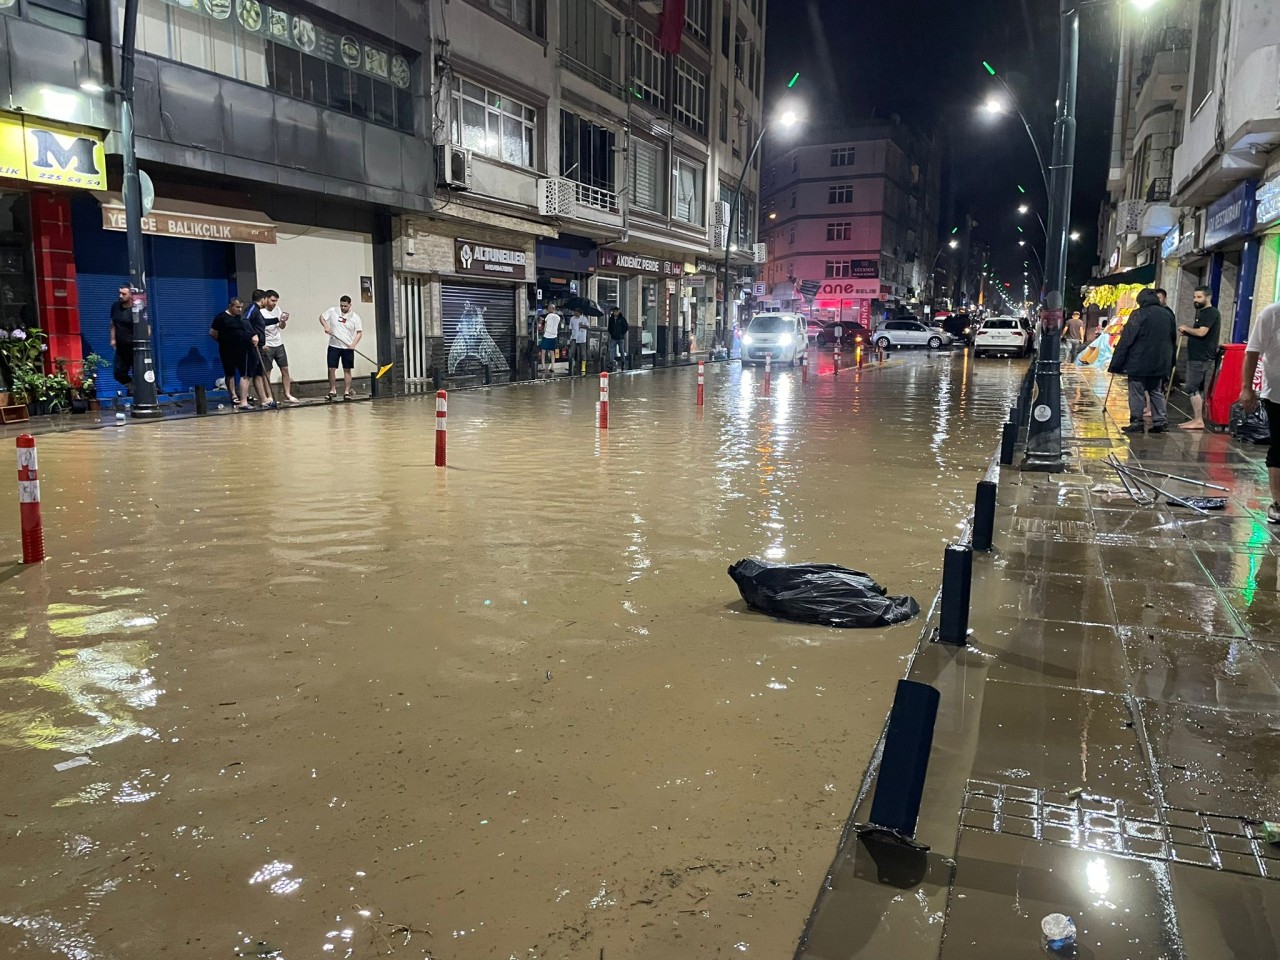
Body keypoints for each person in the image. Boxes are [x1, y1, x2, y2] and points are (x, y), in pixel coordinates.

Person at [1110, 288, 1177, 434]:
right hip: (1160, 360)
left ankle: (1136, 422)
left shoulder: (1138, 314)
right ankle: (1160, 421)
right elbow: (1172, 339)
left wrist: (1116, 362)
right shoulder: (1167, 314)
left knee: (1136, 391)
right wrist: (1171, 361)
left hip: (1138, 361)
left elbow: (1127, 338)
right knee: (1156, 390)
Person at [1241, 301, 1280, 522]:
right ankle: (1278, 503)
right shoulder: (1271, 314)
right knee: (1279, 446)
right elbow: (1252, 352)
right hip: (1277, 395)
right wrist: (1247, 388)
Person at [1177, 286, 1221, 430]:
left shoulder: (1210, 313)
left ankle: (1198, 420)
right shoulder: (1202, 313)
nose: (1195, 300)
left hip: (1201, 357)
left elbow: (1202, 332)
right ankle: (1197, 419)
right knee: (1197, 388)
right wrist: (1189, 333)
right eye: (1194, 297)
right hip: (1197, 355)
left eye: (1199, 297)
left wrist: (1186, 328)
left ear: (1208, 297)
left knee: (1192, 386)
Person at [259, 289, 299, 404]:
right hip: (267, 345)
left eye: (276, 301)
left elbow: (281, 327)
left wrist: (283, 321)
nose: (274, 303)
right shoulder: (261, 312)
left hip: (279, 344)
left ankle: (287, 394)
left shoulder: (277, 309)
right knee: (267, 372)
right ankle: (269, 396)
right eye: (272, 301)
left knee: (285, 369)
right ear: (266, 299)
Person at [320, 295, 363, 400]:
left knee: (347, 369)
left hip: (347, 347)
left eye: (345, 306)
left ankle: (347, 392)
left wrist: (353, 344)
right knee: (331, 368)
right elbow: (321, 317)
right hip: (334, 345)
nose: (343, 308)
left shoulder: (355, 317)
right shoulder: (333, 311)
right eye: (341, 306)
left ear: (350, 305)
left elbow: (359, 333)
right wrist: (326, 326)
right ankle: (332, 390)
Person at [240, 290, 276, 410]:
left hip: (259, 347)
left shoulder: (258, 312)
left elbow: (262, 323)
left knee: (258, 374)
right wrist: (253, 335)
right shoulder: (252, 308)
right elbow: (244, 320)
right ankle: (243, 402)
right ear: (263, 299)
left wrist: (277, 320)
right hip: (250, 346)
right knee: (246, 374)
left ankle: (264, 399)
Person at [209, 298, 245, 398]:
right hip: (227, 350)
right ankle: (233, 395)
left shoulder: (239, 318)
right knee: (230, 373)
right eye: (237, 307)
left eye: (241, 307)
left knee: (244, 372)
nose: (240, 310)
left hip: (240, 349)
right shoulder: (221, 317)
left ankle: (244, 394)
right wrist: (223, 341)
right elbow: (212, 333)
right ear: (230, 306)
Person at [109, 285, 134, 390]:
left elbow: (146, 326)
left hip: (134, 347)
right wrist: (113, 339)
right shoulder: (115, 306)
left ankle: (151, 392)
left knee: (141, 373)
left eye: (124, 294)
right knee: (118, 373)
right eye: (119, 293)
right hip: (121, 347)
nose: (120, 296)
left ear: (131, 295)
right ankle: (134, 388)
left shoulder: (136, 308)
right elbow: (113, 323)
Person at [540, 304, 561, 377]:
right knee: (552, 352)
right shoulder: (558, 317)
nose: (548, 310)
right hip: (554, 336)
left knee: (543, 351)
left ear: (551, 309)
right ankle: (552, 367)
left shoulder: (548, 316)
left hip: (547, 335)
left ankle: (543, 367)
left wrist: (544, 331)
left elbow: (545, 326)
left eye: (548, 308)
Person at [607, 305, 629, 370]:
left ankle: (623, 363)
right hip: (613, 337)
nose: (615, 313)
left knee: (621, 350)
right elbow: (609, 327)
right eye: (614, 312)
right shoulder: (611, 319)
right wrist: (612, 333)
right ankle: (611, 363)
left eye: (616, 312)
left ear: (618, 312)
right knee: (612, 350)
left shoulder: (622, 319)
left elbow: (626, 327)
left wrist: (622, 333)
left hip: (620, 338)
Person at [568, 308, 589, 376]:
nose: (575, 313)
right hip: (574, 337)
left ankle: (583, 367)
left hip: (582, 338)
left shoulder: (584, 318)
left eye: (576, 312)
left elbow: (588, 326)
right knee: (571, 352)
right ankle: (571, 366)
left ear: (580, 313)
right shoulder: (572, 319)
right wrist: (570, 338)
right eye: (575, 312)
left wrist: (583, 325)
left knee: (583, 353)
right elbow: (570, 328)